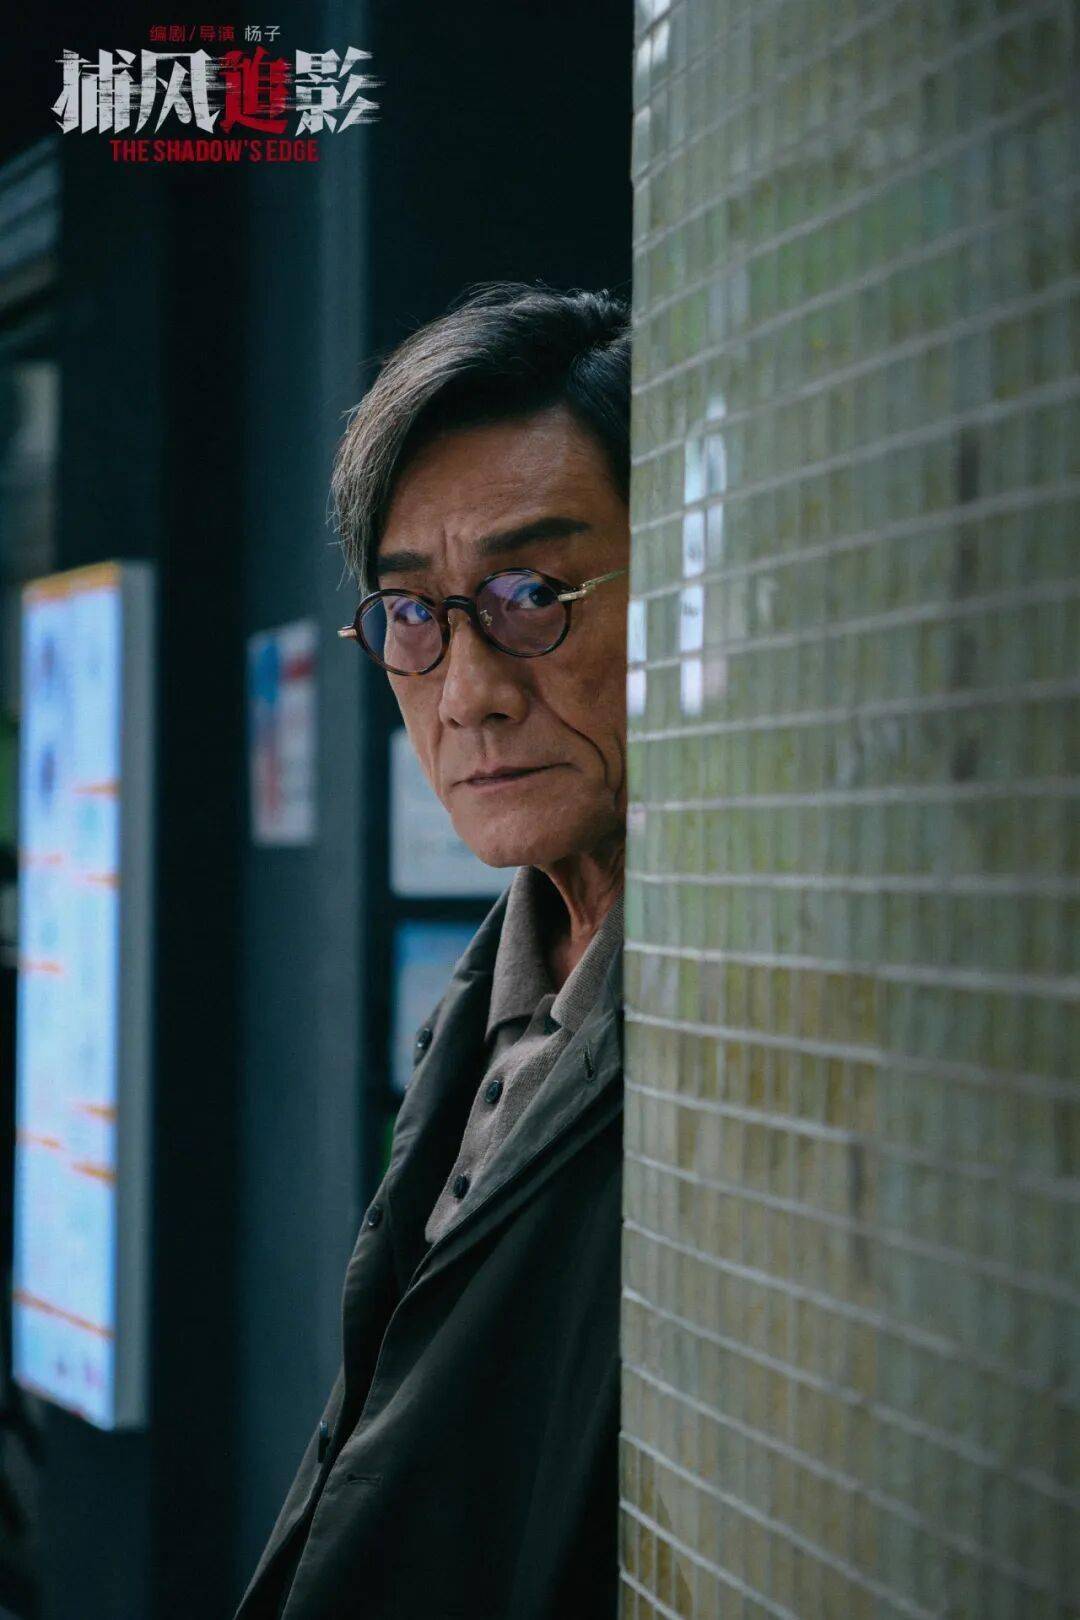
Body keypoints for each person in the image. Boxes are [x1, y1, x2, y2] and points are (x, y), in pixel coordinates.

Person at [235, 283, 631, 1620]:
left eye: (531, 594)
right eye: (412, 614)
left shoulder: (745, 1019)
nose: (469, 693)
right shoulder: (492, 994)